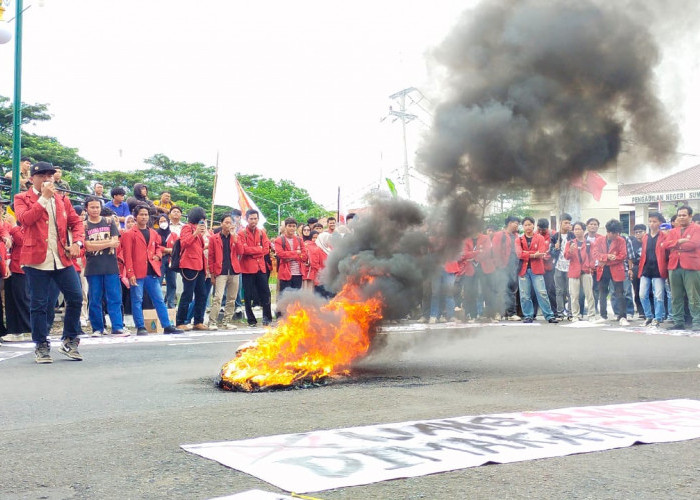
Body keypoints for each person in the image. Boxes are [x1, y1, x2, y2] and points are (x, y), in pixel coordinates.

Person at [14, 161, 85, 363]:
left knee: (76, 297)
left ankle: (70, 340)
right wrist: (43, 199)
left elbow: (76, 222)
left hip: (61, 257)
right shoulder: (22, 198)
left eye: (50, 175)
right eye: (41, 175)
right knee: (39, 304)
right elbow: (25, 220)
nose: (46, 179)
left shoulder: (62, 200)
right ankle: (41, 345)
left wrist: (78, 242)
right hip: (35, 260)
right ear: (31, 179)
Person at [121, 205, 182, 336]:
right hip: (137, 272)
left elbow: (159, 247)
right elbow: (127, 256)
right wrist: (130, 273)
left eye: (146, 215)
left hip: (152, 271)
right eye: (141, 214)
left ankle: (167, 325)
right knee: (137, 299)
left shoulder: (154, 233)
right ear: (136, 216)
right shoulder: (129, 234)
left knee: (159, 299)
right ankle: (140, 326)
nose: (144, 217)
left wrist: (158, 255)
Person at [83, 196, 127, 336]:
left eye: (97, 207)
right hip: (93, 266)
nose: (95, 210)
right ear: (87, 208)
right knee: (95, 299)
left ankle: (117, 326)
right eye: (92, 207)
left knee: (114, 297)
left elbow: (115, 242)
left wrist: (98, 245)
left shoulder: (108, 221)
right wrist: (107, 243)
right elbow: (87, 246)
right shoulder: (84, 225)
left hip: (110, 265)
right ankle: (97, 328)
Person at [660, 205, 700, 331]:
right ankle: (678, 322)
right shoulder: (673, 231)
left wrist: (675, 245)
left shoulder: (696, 229)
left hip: (691, 266)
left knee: (693, 296)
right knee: (676, 296)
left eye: (684, 215)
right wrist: (679, 242)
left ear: (690, 216)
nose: (681, 217)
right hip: (674, 266)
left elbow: (693, 244)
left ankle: (697, 322)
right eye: (679, 215)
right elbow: (664, 245)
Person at [515, 217, 558, 323]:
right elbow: (519, 254)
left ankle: (549, 315)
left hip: (537, 269)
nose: (528, 227)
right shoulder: (519, 239)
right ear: (522, 227)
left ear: (534, 225)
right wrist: (534, 254)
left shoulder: (539, 238)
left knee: (542, 292)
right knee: (525, 295)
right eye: (525, 225)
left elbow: (542, 252)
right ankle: (528, 315)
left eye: (530, 224)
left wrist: (528, 254)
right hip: (523, 271)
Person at [175, 207, 209, 331]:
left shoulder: (199, 231)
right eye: (202, 219)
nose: (203, 222)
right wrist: (195, 233)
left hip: (199, 266)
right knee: (187, 294)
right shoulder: (187, 228)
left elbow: (197, 248)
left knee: (202, 294)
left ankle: (198, 321)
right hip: (189, 265)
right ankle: (180, 321)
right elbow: (184, 243)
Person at [208, 214, 243, 330]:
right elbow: (211, 257)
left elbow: (240, 251)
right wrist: (212, 274)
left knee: (232, 297)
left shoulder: (236, 237)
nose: (228, 225)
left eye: (230, 223)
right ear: (222, 223)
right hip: (220, 271)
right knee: (218, 297)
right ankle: (212, 321)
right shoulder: (214, 238)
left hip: (234, 270)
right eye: (226, 222)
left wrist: (235, 238)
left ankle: (226, 321)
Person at [238, 209, 273, 327]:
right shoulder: (242, 233)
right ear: (246, 219)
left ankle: (267, 318)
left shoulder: (262, 232)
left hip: (261, 267)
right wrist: (258, 249)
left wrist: (253, 250)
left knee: (265, 293)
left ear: (258, 219)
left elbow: (266, 249)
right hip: (247, 268)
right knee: (248, 295)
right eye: (251, 218)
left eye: (255, 218)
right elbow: (243, 250)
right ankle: (251, 320)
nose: (253, 221)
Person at [593, 219, 629, 325]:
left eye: (618, 233)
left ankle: (622, 316)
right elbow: (595, 254)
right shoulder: (599, 240)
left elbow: (623, 255)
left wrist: (609, 260)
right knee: (602, 292)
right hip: (603, 269)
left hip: (616, 268)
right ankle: (603, 315)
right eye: (614, 233)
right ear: (608, 232)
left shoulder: (621, 240)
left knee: (620, 293)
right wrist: (608, 257)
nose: (616, 235)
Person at [459, 228, 497, 322]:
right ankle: (473, 315)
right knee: (470, 292)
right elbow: (464, 255)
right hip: (470, 269)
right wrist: (477, 252)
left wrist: (472, 256)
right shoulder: (466, 240)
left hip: (485, 268)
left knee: (487, 292)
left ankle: (490, 316)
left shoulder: (485, 238)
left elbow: (486, 252)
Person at [274, 217, 308, 315]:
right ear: (285, 227)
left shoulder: (299, 239)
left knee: (296, 297)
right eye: (290, 226)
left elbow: (305, 256)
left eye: (294, 226)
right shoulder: (279, 240)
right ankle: (281, 317)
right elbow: (280, 254)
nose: (292, 228)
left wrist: (290, 255)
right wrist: (296, 253)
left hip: (298, 273)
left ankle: (293, 316)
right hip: (285, 272)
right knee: (284, 296)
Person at [638, 213, 667, 327]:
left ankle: (658, 318)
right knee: (642, 294)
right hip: (646, 269)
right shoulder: (645, 237)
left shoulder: (664, 236)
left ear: (660, 223)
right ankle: (648, 316)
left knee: (658, 295)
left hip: (658, 270)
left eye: (654, 221)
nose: (652, 224)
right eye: (650, 221)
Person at [565, 222, 596, 322]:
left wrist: (590, 267)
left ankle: (591, 315)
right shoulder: (570, 243)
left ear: (583, 230)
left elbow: (592, 257)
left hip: (586, 271)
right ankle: (576, 315)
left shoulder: (588, 243)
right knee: (574, 295)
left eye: (579, 229)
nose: (577, 231)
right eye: (575, 229)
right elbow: (566, 257)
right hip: (574, 271)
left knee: (589, 294)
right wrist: (570, 250)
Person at [492, 215, 521, 321]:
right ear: (510, 223)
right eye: (516, 223)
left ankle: (511, 313)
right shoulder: (500, 235)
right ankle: (498, 313)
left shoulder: (517, 236)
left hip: (513, 266)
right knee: (500, 290)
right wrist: (498, 265)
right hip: (501, 266)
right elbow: (495, 250)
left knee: (512, 290)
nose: (517, 225)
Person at [550, 214, 574, 320]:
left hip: (571, 266)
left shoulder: (572, 236)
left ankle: (570, 313)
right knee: (559, 291)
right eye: (566, 222)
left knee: (570, 291)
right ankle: (560, 313)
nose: (568, 225)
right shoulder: (555, 236)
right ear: (560, 223)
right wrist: (555, 249)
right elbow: (551, 253)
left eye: (569, 223)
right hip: (558, 266)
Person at [156, 214, 179, 309]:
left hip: (171, 261)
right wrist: (166, 250)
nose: (163, 223)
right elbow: (155, 246)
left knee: (172, 283)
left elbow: (177, 247)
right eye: (160, 221)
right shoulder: (155, 234)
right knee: (158, 282)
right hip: (159, 261)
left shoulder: (173, 235)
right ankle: (158, 304)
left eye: (164, 221)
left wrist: (170, 251)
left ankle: (171, 304)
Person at [536, 219, 557, 313]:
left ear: (547, 228)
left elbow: (556, 250)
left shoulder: (554, 235)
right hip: (537, 266)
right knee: (536, 290)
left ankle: (554, 311)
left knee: (551, 290)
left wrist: (548, 256)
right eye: (539, 229)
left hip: (549, 267)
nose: (541, 232)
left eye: (543, 230)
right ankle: (534, 312)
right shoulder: (534, 234)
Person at [630, 224, 646, 318]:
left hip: (647, 267)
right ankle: (641, 311)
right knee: (637, 289)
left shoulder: (648, 240)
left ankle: (650, 310)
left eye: (640, 232)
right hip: (636, 267)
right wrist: (630, 269)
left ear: (645, 232)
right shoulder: (632, 243)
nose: (638, 234)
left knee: (648, 290)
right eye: (636, 232)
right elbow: (630, 258)